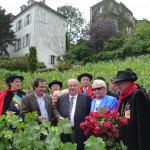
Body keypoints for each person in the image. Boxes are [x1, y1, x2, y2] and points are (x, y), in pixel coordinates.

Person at [113, 70, 150, 150]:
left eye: (119, 83)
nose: (117, 86)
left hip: (135, 140)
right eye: (116, 83)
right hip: (126, 140)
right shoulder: (124, 96)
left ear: (128, 82)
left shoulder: (137, 94)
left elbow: (143, 123)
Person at [56, 78, 91, 150]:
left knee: (79, 147)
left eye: (75, 85)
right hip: (65, 130)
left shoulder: (86, 98)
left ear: (78, 87)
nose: (72, 87)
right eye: (70, 86)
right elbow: (56, 110)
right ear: (67, 87)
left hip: (79, 130)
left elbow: (89, 113)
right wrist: (58, 117)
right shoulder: (61, 98)